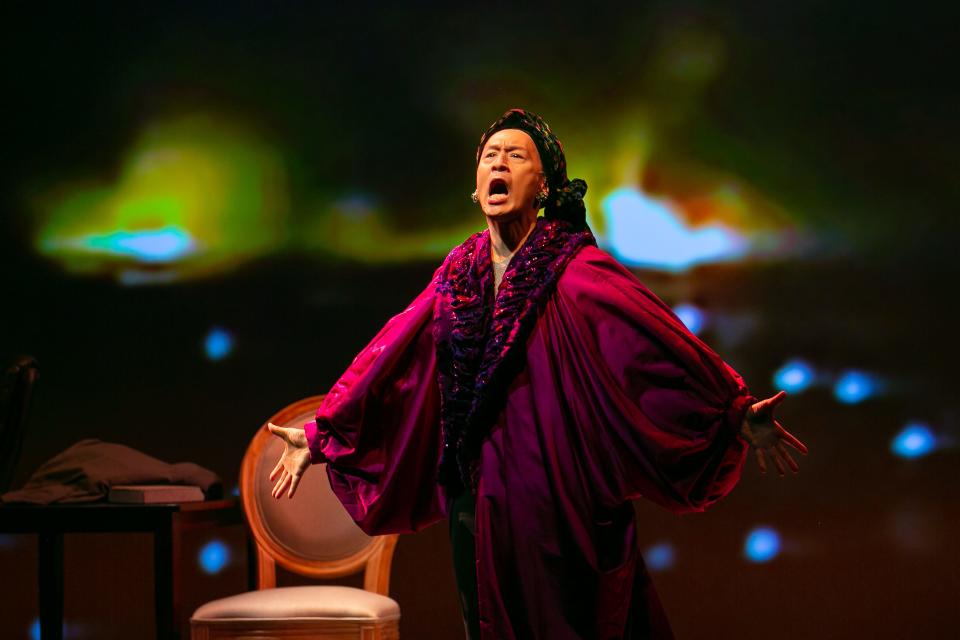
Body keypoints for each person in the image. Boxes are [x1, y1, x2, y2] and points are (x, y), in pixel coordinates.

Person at [266, 108, 808, 639]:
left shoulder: (576, 269)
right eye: (490, 156)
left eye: (515, 155)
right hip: (473, 504)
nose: (499, 163)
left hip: (559, 504)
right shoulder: (458, 274)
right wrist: (323, 433)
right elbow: (393, 356)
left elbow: (656, 344)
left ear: (543, 185)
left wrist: (733, 411)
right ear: (476, 187)